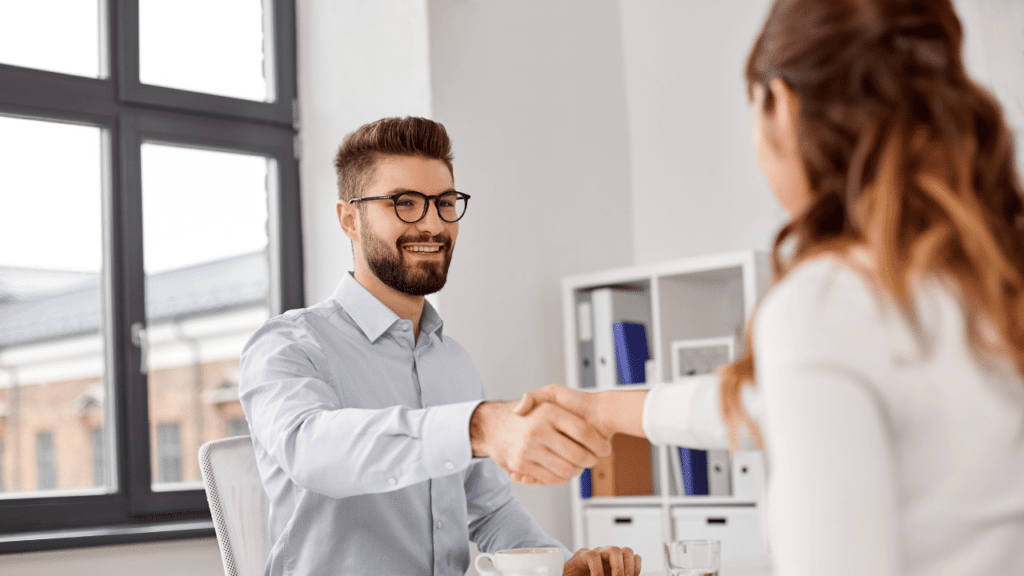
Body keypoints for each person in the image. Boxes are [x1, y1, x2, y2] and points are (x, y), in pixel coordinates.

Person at [516, 0, 1024, 575]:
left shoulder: (828, 306)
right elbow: (759, 403)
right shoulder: (989, 278)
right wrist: (602, 408)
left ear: (780, 103)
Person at [239, 116, 642, 576]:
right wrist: (478, 426)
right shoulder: (288, 345)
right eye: (404, 202)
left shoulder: (451, 361)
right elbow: (311, 452)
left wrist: (562, 564)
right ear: (350, 219)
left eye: (445, 203)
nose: (432, 224)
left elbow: (489, 511)